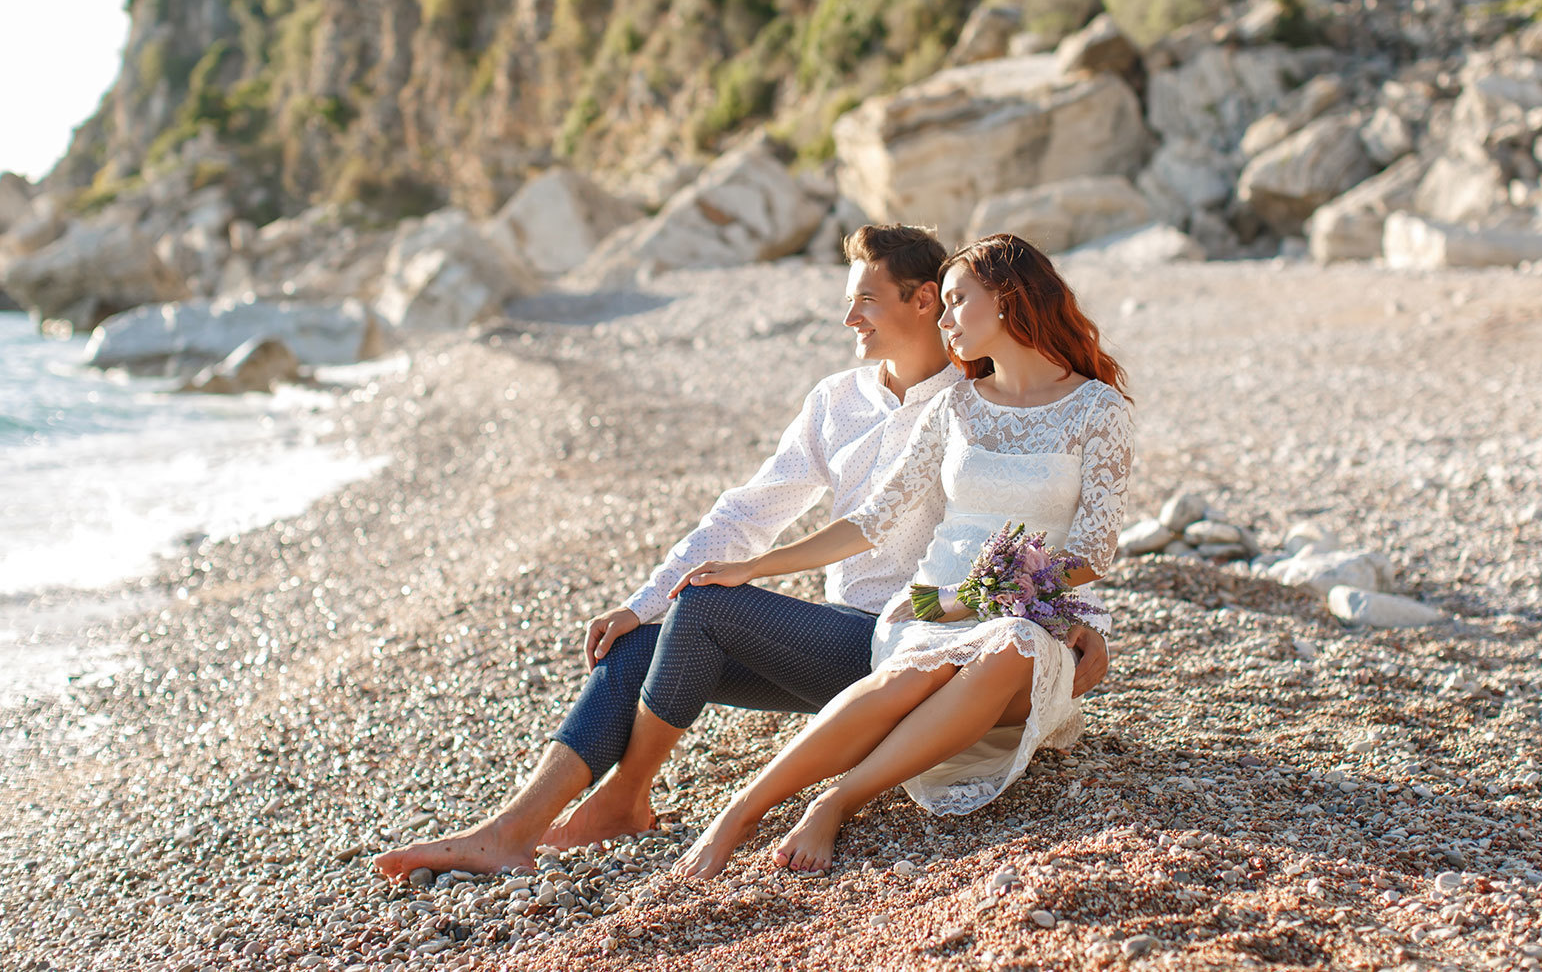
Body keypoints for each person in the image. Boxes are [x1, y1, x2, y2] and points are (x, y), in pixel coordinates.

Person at [372, 225, 1111, 880]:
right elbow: (753, 508)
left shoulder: (977, 392)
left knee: (706, 608)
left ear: (924, 300)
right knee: (640, 646)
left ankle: (624, 798)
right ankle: (510, 830)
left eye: (867, 299)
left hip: (929, 641)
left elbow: (1041, 518)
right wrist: (642, 600)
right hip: (860, 632)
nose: (848, 316)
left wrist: (1073, 616)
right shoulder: (837, 401)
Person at [673, 233, 1133, 879]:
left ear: (1006, 299)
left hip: (1033, 616)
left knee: (1011, 645)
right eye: (940, 305)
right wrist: (754, 566)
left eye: (956, 302)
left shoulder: (1097, 409)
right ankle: (743, 809)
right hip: (926, 606)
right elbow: (871, 521)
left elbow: (1091, 553)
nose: (943, 321)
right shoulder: (954, 406)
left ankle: (838, 798)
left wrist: (987, 595)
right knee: (911, 672)